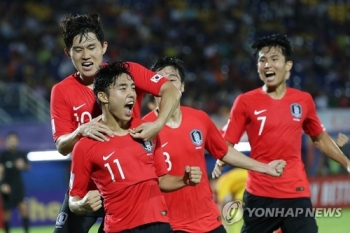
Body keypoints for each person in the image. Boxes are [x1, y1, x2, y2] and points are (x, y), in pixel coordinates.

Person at [50, 13, 181, 233]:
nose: (86, 55)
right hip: (89, 190)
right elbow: (62, 146)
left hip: (127, 188)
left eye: (91, 47)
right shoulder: (61, 91)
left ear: (103, 47)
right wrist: (79, 132)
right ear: (68, 53)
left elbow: (170, 90)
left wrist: (158, 124)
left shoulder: (127, 74)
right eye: (78, 50)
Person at [212, 34, 350, 233]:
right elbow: (226, 144)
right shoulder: (245, 102)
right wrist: (221, 159)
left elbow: (319, 139)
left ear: (288, 65)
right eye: (262, 60)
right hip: (259, 195)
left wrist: (346, 162)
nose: (267, 64)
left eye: (274, 59)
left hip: (296, 193)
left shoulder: (303, 101)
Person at [142, 57, 287, 233]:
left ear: (182, 87)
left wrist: (266, 168)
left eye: (172, 79)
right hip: (170, 225)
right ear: (152, 89)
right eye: (160, 80)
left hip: (209, 221)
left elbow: (224, 151)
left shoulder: (200, 119)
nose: (167, 85)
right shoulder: (144, 129)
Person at [68, 61, 202, 233]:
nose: (131, 93)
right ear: (103, 96)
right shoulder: (85, 146)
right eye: (123, 88)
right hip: (121, 229)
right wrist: (82, 204)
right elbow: (73, 200)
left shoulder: (146, 130)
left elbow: (161, 179)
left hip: (160, 226)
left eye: (132, 88)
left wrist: (184, 180)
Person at [0, 132, 30, 233]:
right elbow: (0, 171)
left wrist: (23, 165)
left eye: (15, 140)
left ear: (17, 141)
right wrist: (2, 184)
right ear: (7, 141)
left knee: (24, 209)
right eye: (11, 140)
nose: (13, 142)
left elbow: (28, 167)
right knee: (7, 212)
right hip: (7, 186)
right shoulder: (3, 155)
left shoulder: (21, 154)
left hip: (18, 186)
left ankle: (26, 231)